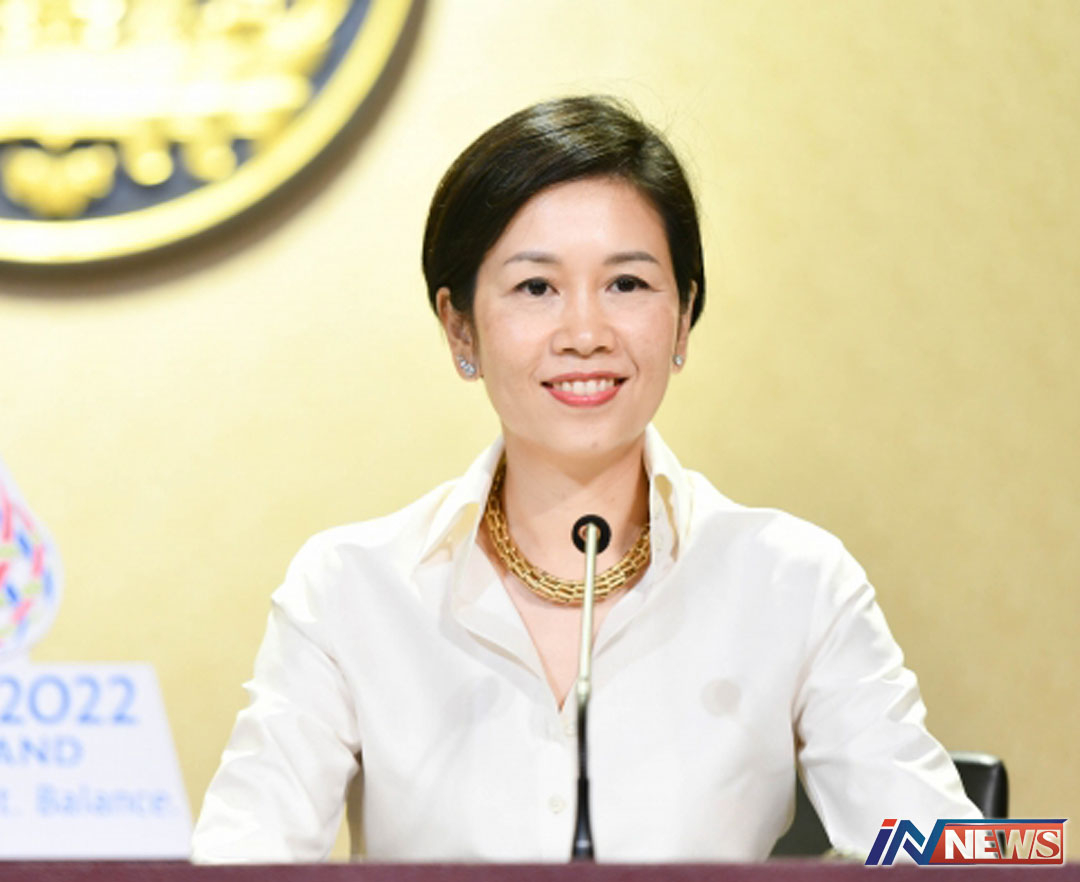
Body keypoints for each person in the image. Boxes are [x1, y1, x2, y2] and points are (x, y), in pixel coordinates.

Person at [191, 96, 979, 863]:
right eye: (536, 288)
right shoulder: (350, 590)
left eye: (627, 284)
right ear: (460, 327)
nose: (585, 334)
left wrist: (967, 854)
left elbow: (952, 852)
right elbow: (241, 854)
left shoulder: (793, 581)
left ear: (683, 315)